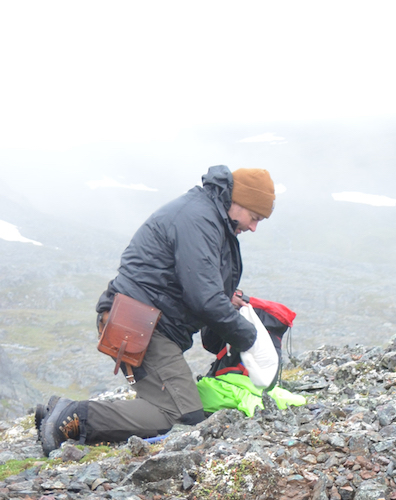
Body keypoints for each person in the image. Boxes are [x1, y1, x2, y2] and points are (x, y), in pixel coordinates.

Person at [35, 165, 276, 456]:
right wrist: (251, 340)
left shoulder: (208, 216)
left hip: (145, 322)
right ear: (239, 201)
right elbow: (204, 298)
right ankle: (73, 416)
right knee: (179, 416)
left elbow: (201, 286)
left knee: (176, 407)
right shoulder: (199, 219)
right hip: (139, 325)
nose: (253, 227)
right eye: (254, 217)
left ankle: (58, 413)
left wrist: (227, 301)